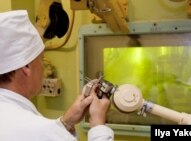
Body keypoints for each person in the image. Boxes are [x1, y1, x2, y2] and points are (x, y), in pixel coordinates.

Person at [0, 10, 114, 141]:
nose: (43, 68)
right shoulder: (38, 131)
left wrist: (65, 122)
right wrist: (98, 124)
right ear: (26, 67)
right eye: (41, 59)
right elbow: (42, 134)